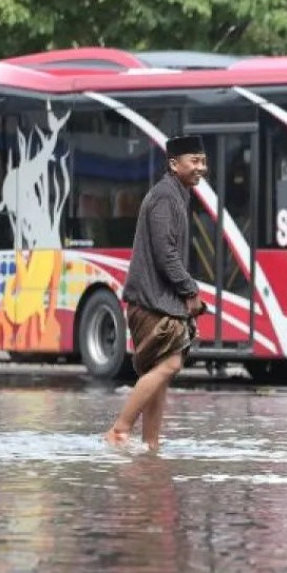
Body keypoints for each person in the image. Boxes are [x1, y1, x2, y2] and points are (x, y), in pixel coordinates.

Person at [103, 135, 208, 451]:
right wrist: (190, 291)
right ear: (174, 164)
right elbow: (166, 254)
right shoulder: (165, 197)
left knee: (159, 377)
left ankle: (151, 446)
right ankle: (119, 429)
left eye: (203, 161)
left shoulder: (177, 194)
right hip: (151, 302)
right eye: (195, 161)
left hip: (159, 301)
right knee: (171, 365)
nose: (201, 167)